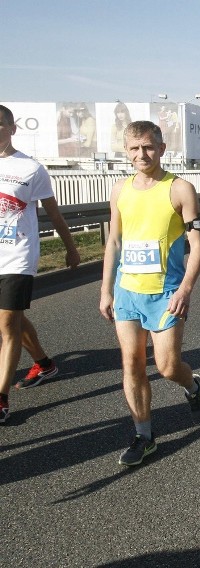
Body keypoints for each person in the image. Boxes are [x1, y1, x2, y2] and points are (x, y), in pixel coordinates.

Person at [99, 120, 200, 466]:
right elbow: (113, 242)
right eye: (134, 148)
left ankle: (192, 387)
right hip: (127, 291)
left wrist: (186, 289)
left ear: (161, 149)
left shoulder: (179, 189)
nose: (141, 154)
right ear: (126, 152)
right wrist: (106, 290)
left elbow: (196, 244)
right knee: (131, 363)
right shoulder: (120, 190)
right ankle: (143, 436)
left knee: (166, 366)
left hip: (166, 293)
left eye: (148, 147)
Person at [0, 105, 81, 423]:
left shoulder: (31, 169)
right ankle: (45, 364)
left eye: (0, 124)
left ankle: (1, 398)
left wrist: (71, 248)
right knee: (10, 319)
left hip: (17, 256)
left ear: (12, 128)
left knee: (7, 325)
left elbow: (54, 213)